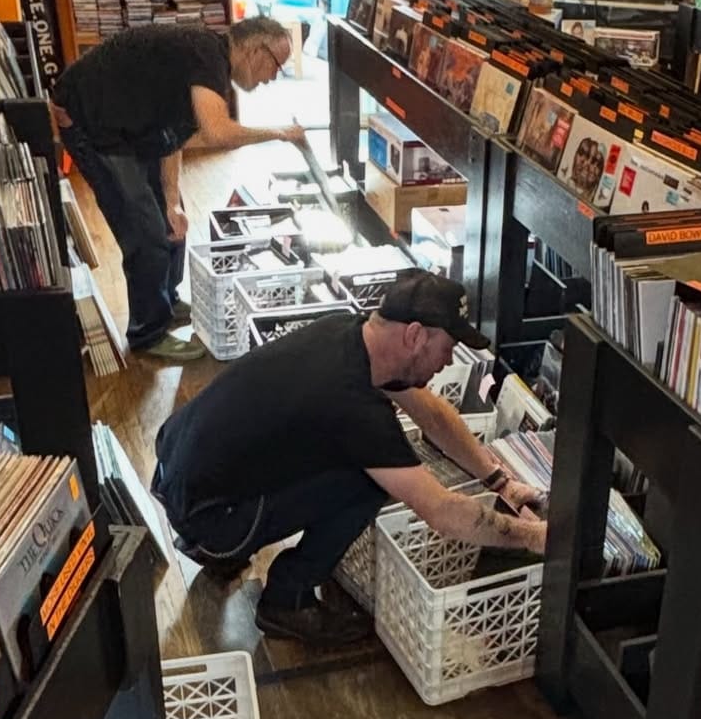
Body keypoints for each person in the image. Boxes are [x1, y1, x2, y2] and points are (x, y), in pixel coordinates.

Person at [153, 271, 547, 647]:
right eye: (446, 348)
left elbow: (432, 413)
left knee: (329, 453)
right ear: (414, 336)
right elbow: (442, 513)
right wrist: (534, 537)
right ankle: (286, 602)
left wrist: (499, 480)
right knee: (368, 478)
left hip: (177, 470)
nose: (447, 361)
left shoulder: (347, 332)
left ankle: (220, 544)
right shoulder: (352, 404)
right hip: (210, 520)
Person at [53, 17, 307, 363]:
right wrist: (279, 133)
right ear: (254, 49)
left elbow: (171, 138)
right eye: (276, 64)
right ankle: (147, 333)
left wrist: (173, 202)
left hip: (129, 128)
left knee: (173, 225)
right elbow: (218, 134)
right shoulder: (207, 60)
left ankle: (166, 302)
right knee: (146, 235)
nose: (273, 76)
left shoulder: (203, 61)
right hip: (92, 126)